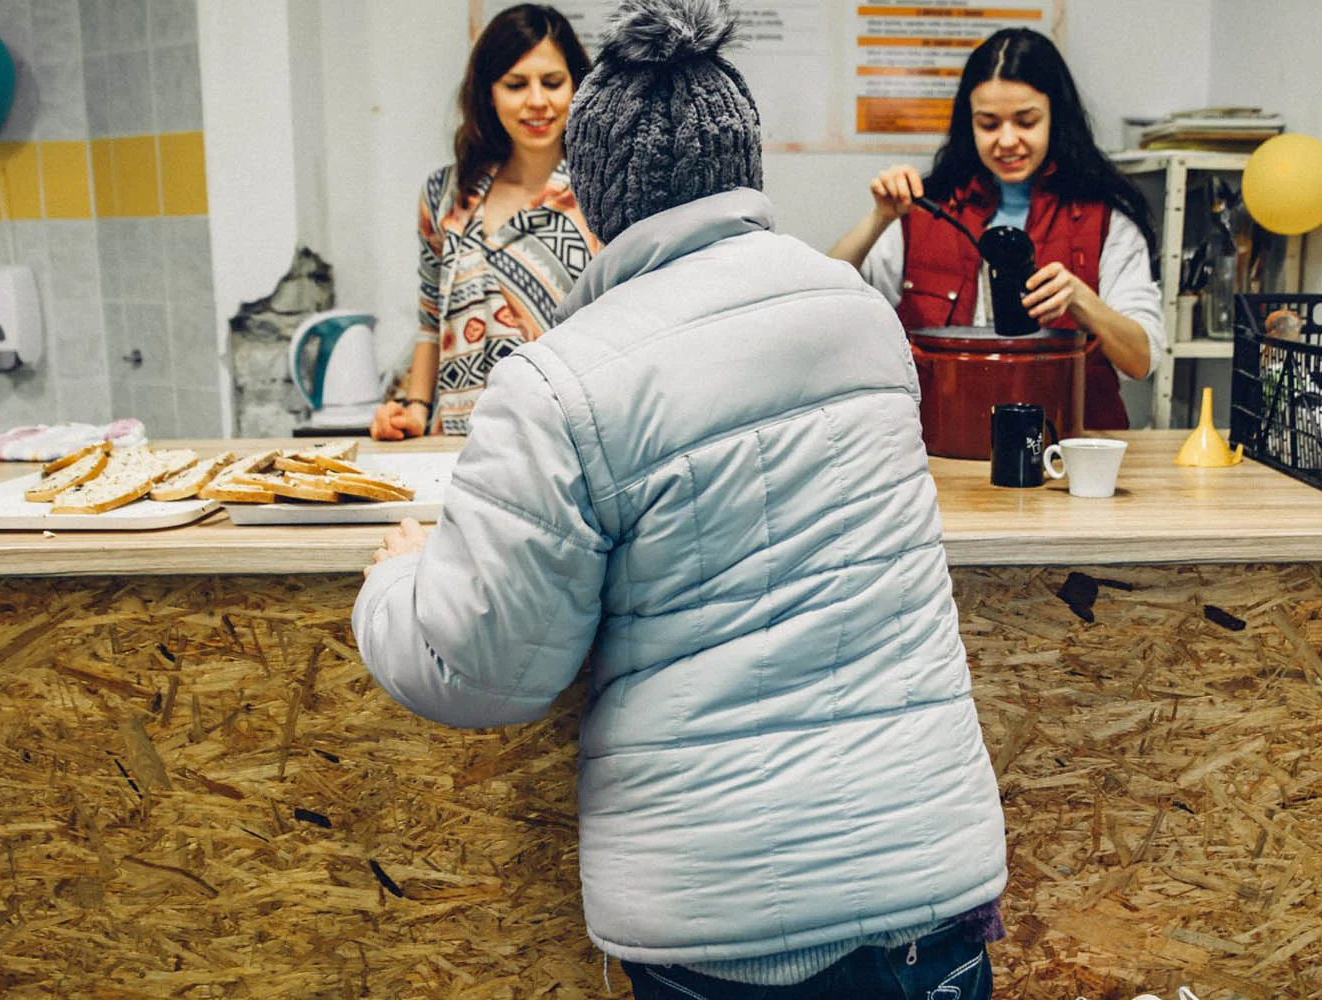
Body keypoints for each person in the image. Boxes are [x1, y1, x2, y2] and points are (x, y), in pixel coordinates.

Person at [352, 1, 1006, 997]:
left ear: (591, 193)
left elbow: (482, 666)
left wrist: (395, 584)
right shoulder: (860, 317)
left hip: (726, 927)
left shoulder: (560, 382)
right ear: (746, 164)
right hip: (930, 899)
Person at [829, 28, 1163, 430]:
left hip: (1063, 445)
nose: (1007, 141)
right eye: (989, 124)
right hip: (942, 442)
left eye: (1026, 121)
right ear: (968, 124)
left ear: (1055, 118)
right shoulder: (921, 214)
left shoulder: (1105, 222)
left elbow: (1141, 360)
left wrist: (1081, 301)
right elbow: (826, 301)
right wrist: (879, 219)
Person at [370, 4, 598, 440]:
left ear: (577, 86)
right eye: (516, 85)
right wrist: (414, 409)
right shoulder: (445, 195)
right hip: (457, 442)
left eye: (552, 82)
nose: (537, 101)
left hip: (567, 441)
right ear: (488, 93)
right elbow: (429, 322)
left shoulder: (601, 195)